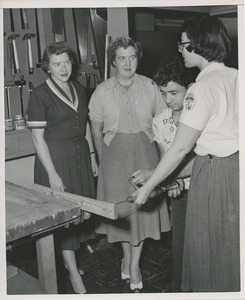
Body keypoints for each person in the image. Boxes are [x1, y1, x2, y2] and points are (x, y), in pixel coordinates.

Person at [132, 16, 239, 292]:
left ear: (197, 44)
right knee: (230, 252)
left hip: (214, 179)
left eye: (182, 44)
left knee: (207, 251)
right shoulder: (235, 76)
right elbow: (209, 153)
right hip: (232, 172)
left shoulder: (200, 89)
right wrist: (153, 175)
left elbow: (180, 148)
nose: (179, 50)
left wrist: (149, 188)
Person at [88, 36, 171, 293]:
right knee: (123, 214)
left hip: (146, 153)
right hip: (114, 156)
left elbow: (163, 125)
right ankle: (128, 258)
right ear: (113, 61)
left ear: (138, 58)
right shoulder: (101, 91)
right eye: (121, 58)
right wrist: (103, 163)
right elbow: (96, 129)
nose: (127, 62)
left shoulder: (151, 87)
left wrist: (164, 165)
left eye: (132, 56)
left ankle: (133, 264)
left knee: (142, 213)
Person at [27, 42, 98, 294]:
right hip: (56, 159)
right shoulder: (39, 94)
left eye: (67, 62)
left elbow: (85, 125)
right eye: (56, 64)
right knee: (66, 218)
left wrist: (91, 155)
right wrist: (53, 174)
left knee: (79, 214)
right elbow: (38, 139)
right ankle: (71, 271)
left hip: (78, 155)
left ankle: (71, 261)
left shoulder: (78, 87)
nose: (63, 68)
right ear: (48, 67)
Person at [131, 56, 195, 292]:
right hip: (181, 199)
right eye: (163, 93)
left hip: (205, 190)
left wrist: (161, 177)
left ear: (189, 87)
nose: (169, 100)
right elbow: (165, 160)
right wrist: (170, 184)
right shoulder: (160, 121)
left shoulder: (199, 116)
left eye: (174, 93)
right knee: (179, 252)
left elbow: (200, 162)